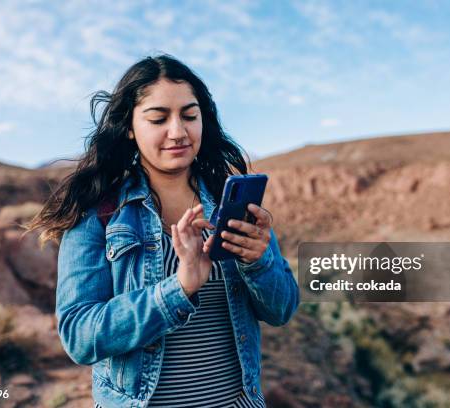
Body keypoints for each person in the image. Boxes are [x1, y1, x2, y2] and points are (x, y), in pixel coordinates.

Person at [27, 54, 300, 408]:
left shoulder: (229, 204)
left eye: (189, 115)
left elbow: (282, 310)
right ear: (129, 127)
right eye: (158, 118)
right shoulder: (99, 213)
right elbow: (80, 336)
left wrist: (260, 262)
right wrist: (178, 288)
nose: (178, 132)